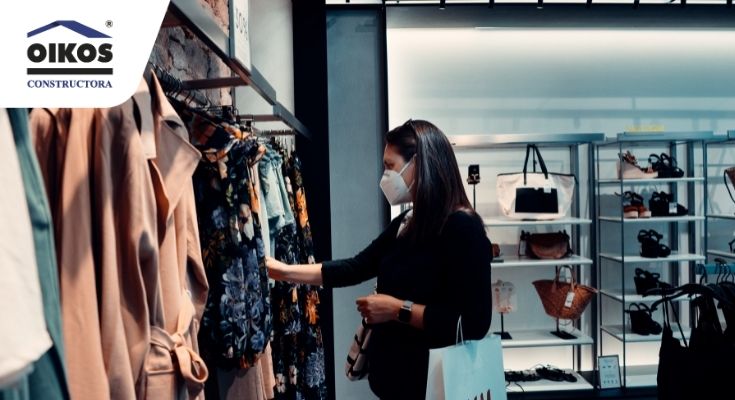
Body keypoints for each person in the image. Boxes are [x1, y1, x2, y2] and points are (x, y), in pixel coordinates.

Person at [266, 119, 492, 399]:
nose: (385, 175)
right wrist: (283, 271)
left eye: (390, 165)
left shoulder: (462, 228)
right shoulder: (409, 222)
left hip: (435, 388)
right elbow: (356, 266)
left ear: (419, 164)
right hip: (395, 384)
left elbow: (474, 323)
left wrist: (398, 309)